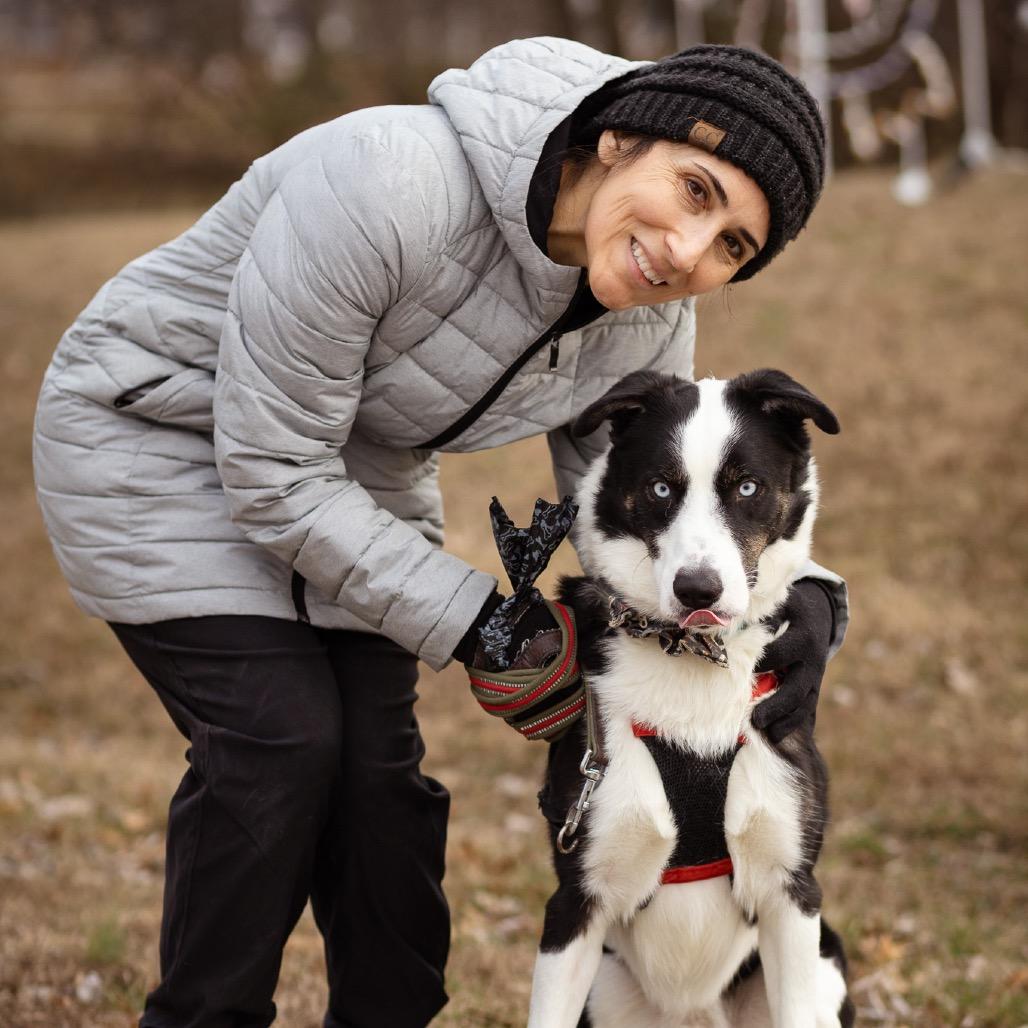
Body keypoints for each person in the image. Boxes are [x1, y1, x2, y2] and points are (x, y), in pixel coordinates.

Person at [33, 36, 847, 1028]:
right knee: (283, 738)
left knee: (376, 771)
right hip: (155, 441)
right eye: (692, 190)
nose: (685, 250)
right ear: (620, 136)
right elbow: (269, 471)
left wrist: (782, 606)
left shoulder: (645, 307)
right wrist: (478, 623)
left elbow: (632, 512)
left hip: (354, 471)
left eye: (730, 246)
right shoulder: (387, 181)